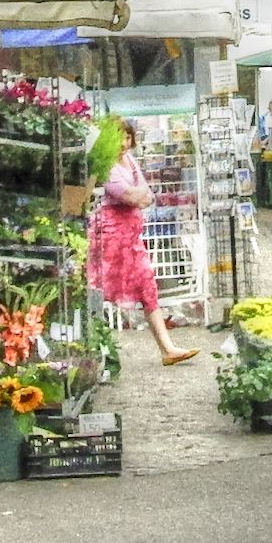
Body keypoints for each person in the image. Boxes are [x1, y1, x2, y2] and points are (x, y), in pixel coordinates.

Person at [87, 121, 198, 366]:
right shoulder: (106, 166)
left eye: (128, 138)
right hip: (110, 238)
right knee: (100, 290)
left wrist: (140, 196)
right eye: (119, 138)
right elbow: (129, 195)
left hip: (131, 238)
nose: (124, 143)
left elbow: (147, 195)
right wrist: (139, 196)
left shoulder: (129, 160)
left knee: (148, 286)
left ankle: (167, 349)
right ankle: (92, 350)